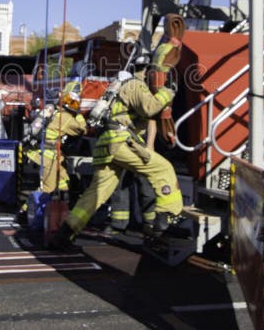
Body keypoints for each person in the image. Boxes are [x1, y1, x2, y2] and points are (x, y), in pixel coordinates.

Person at [49, 56, 182, 251]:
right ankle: (164, 222)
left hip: (106, 145)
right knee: (163, 169)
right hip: (120, 143)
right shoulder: (136, 85)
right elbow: (149, 108)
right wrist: (168, 91)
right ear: (147, 71)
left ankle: (65, 234)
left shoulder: (119, 86)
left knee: (96, 194)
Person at [18, 83, 87, 222]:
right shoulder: (66, 118)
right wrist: (79, 114)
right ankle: (24, 212)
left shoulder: (54, 111)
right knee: (48, 187)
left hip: (44, 153)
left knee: (63, 180)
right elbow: (82, 129)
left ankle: (63, 210)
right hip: (48, 156)